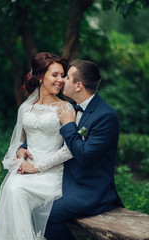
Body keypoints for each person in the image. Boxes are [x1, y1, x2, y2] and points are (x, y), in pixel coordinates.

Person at [0, 52, 74, 240]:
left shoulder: (65, 108)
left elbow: (69, 149)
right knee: (11, 187)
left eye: (62, 75)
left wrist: (36, 168)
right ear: (40, 76)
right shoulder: (25, 108)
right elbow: (20, 140)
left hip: (51, 174)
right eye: (55, 75)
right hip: (26, 170)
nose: (60, 80)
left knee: (16, 190)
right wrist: (20, 152)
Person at [43, 59, 124, 240]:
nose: (62, 80)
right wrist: (24, 147)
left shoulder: (106, 116)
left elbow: (86, 156)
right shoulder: (70, 107)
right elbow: (47, 136)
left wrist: (69, 125)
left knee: (46, 216)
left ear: (78, 86)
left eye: (67, 77)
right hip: (63, 180)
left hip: (89, 191)